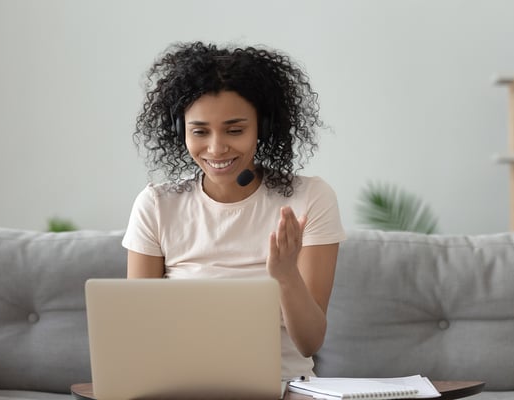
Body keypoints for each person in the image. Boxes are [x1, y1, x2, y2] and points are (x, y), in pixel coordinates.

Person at [122, 41, 346, 379]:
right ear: (180, 131)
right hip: (183, 386)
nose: (215, 148)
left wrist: (286, 276)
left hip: (283, 387)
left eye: (235, 130)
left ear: (264, 128)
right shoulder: (156, 206)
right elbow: (135, 335)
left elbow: (309, 343)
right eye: (199, 131)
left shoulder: (310, 198)